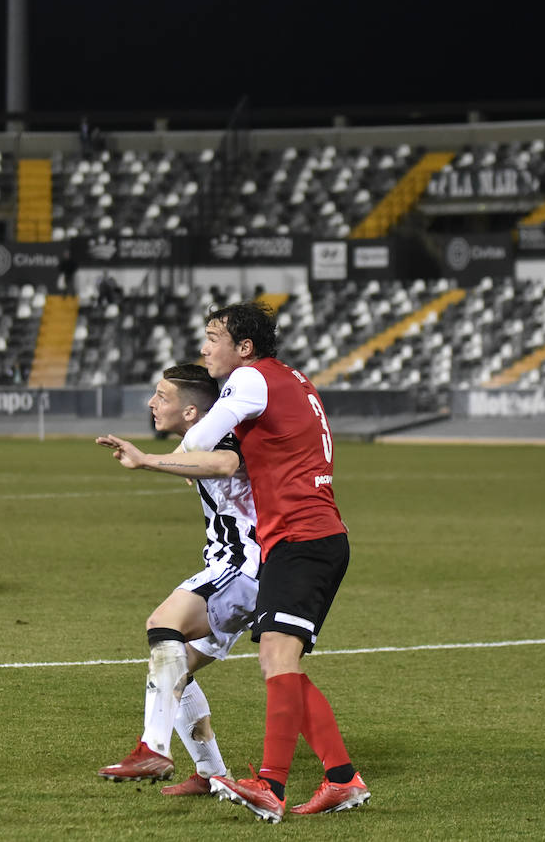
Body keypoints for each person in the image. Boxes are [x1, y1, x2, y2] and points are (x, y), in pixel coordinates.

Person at [99, 301, 368, 822]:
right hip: (296, 539)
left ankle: (263, 782)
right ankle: (339, 778)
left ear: (244, 348)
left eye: (212, 336)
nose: (204, 347)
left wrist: (150, 458)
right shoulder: (290, 382)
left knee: (174, 634)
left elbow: (211, 448)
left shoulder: (250, 383)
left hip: (291, 543)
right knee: (261, 663)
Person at [95, 364, 259, 796]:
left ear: (191, 411)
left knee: (161, 624)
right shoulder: (201, 436)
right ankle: (212, 776)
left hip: (242, 566)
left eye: (162, 396)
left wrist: (148, 459)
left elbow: (225, 462)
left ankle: (153, 747)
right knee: (175, 669)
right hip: (243, 567)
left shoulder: (224, 438)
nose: (152, 403)